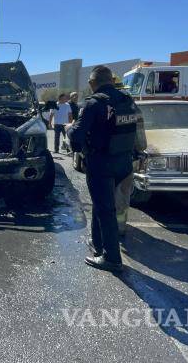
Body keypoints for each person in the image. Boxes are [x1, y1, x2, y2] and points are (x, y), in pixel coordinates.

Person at [67, 66, 146, 272]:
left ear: (93, 83)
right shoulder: (127, 100)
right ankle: (98, 243)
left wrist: (70, 131)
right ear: (111, 80)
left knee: (105, 209)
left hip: (102, 163)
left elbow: (76, 135)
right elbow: (136, 130)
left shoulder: (94, 103)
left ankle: (111, 258)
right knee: (104, 206)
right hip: (124, 162)